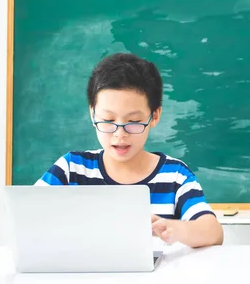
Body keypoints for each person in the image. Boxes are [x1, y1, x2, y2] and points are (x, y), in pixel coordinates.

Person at [35, 53, 223, 248]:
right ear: (92, 113)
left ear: (155, 116)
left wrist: (176, 229)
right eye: (108, 120)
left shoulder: (175, 176)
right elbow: (27, 214)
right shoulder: (71, 169)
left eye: (133, 122)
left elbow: (213, 233)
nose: (120, 134)